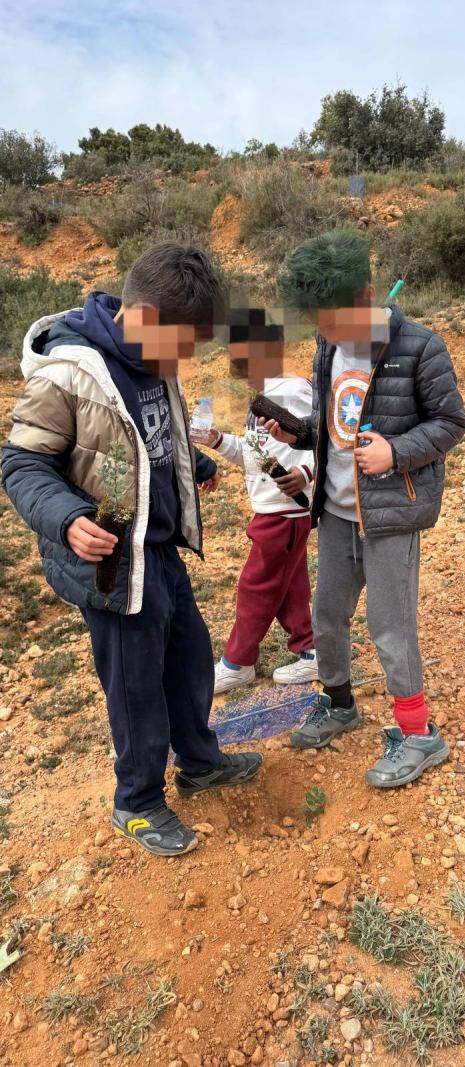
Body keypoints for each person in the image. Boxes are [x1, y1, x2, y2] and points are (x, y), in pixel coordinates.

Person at [1, 242, 262, 856]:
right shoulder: (67, 373)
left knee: (190, 660)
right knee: (136, 686)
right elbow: (21, 463)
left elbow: (152, 437)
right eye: (182, 344)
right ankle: (137, 801)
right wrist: (66, 518)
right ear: (143, 317)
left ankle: (199, 762)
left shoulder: (154, 359)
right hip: (113, 566)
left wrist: (193, 464)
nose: (185, 359)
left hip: (160, 552)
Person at [262, 229, 465, 788]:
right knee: (327, 615)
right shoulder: (329, 347)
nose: (330, 333)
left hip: (390, 516)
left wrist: (395, 453)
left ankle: (419, 734)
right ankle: (339, 703)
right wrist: (299, 433)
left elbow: (451, 422)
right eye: (321, 323)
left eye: (338, 320)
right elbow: (333, 425)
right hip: (335, 513)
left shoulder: (420, 347)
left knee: (389, 625)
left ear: (369, 296)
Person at [205, 373, 318, 693]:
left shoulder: (293, 391)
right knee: (291, 586)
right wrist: (216, 440)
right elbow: (255, 455)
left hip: (284, 512)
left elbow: (324, 439)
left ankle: (237, 663)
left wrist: (306, 474)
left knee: (256, 587)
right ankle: (311, 649)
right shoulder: (263, 393)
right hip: (274, 509)